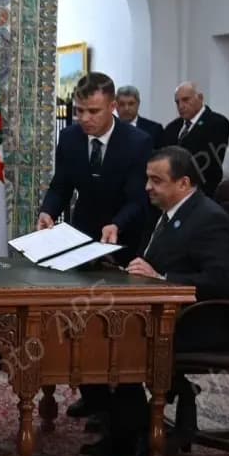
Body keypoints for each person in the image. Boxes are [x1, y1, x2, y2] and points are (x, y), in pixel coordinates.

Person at [85, 146, 229, 456]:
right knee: (91, 326)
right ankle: (121, 424)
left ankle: (134, 436)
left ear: (183, 183)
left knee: (114, 339)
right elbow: (150, 263)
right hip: (161, 313)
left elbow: (220, 280)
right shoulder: (166, 213)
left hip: (197, 321)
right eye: (147, 179)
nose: (147, 187)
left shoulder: (209, 218)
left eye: (156, 180)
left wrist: (162, 277)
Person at [38, 72, 152, 421]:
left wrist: (117, 224)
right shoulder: (70, 138)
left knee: (115, 324)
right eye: (79, 111)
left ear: (112, 107)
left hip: (124, 237)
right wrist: (48, 211)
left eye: (93, 111)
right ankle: (93, 394)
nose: (85, 118)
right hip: (82, 237)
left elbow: (139, 199)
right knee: (79, 317)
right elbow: (61, 185)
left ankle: (122, 403)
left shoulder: (137, 142)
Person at [161, 82, 229, 197]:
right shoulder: (171, 128)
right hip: (173, 192)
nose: (181, 106)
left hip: (202, 192)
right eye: (177, 102)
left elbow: (209, 162)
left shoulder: (217, 123)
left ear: (200, 98)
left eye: (185, 100)